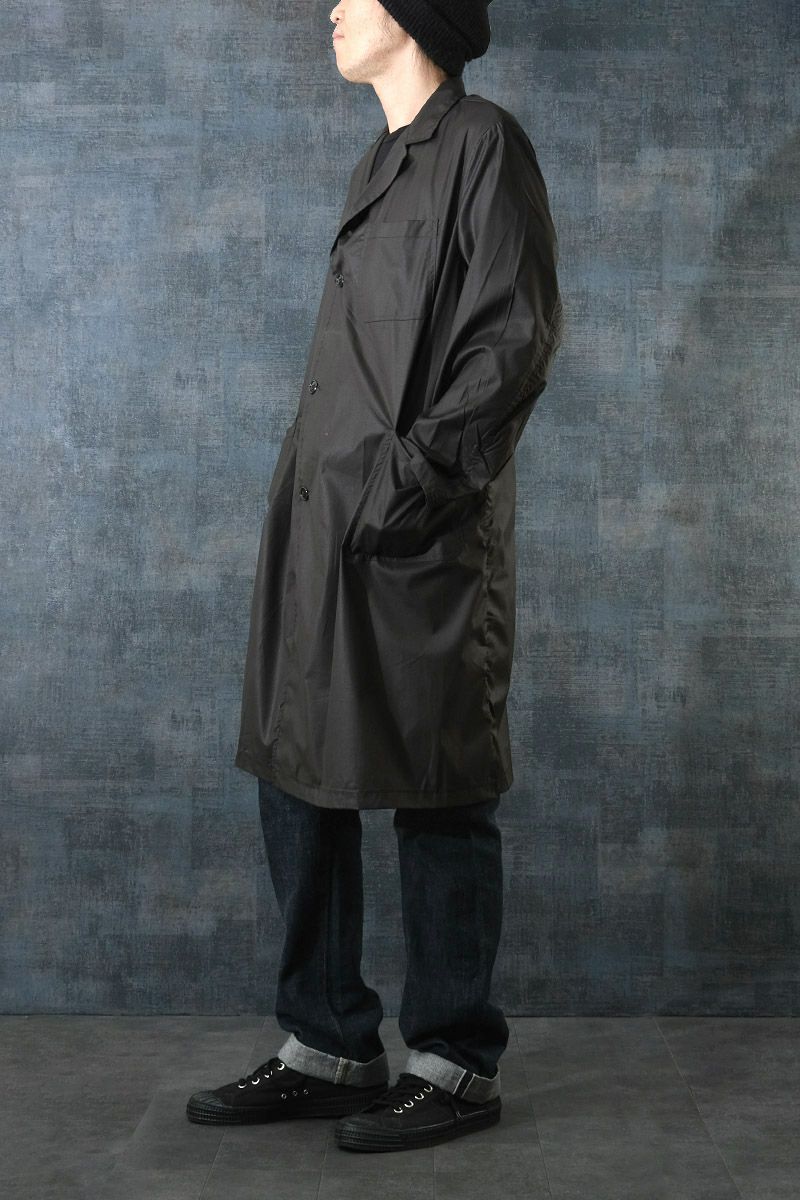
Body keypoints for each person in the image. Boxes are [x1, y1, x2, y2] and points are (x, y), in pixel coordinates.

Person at [187, 0, 563, 1153]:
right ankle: (329, 1043)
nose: (334, 7)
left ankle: (452, 1061)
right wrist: (330, 498)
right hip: (323, 528)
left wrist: (405, 485)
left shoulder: (482, 145)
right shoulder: (377, 164)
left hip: (414, 535)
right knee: (295, 768)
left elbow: (510, 340)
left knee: (437, 786)